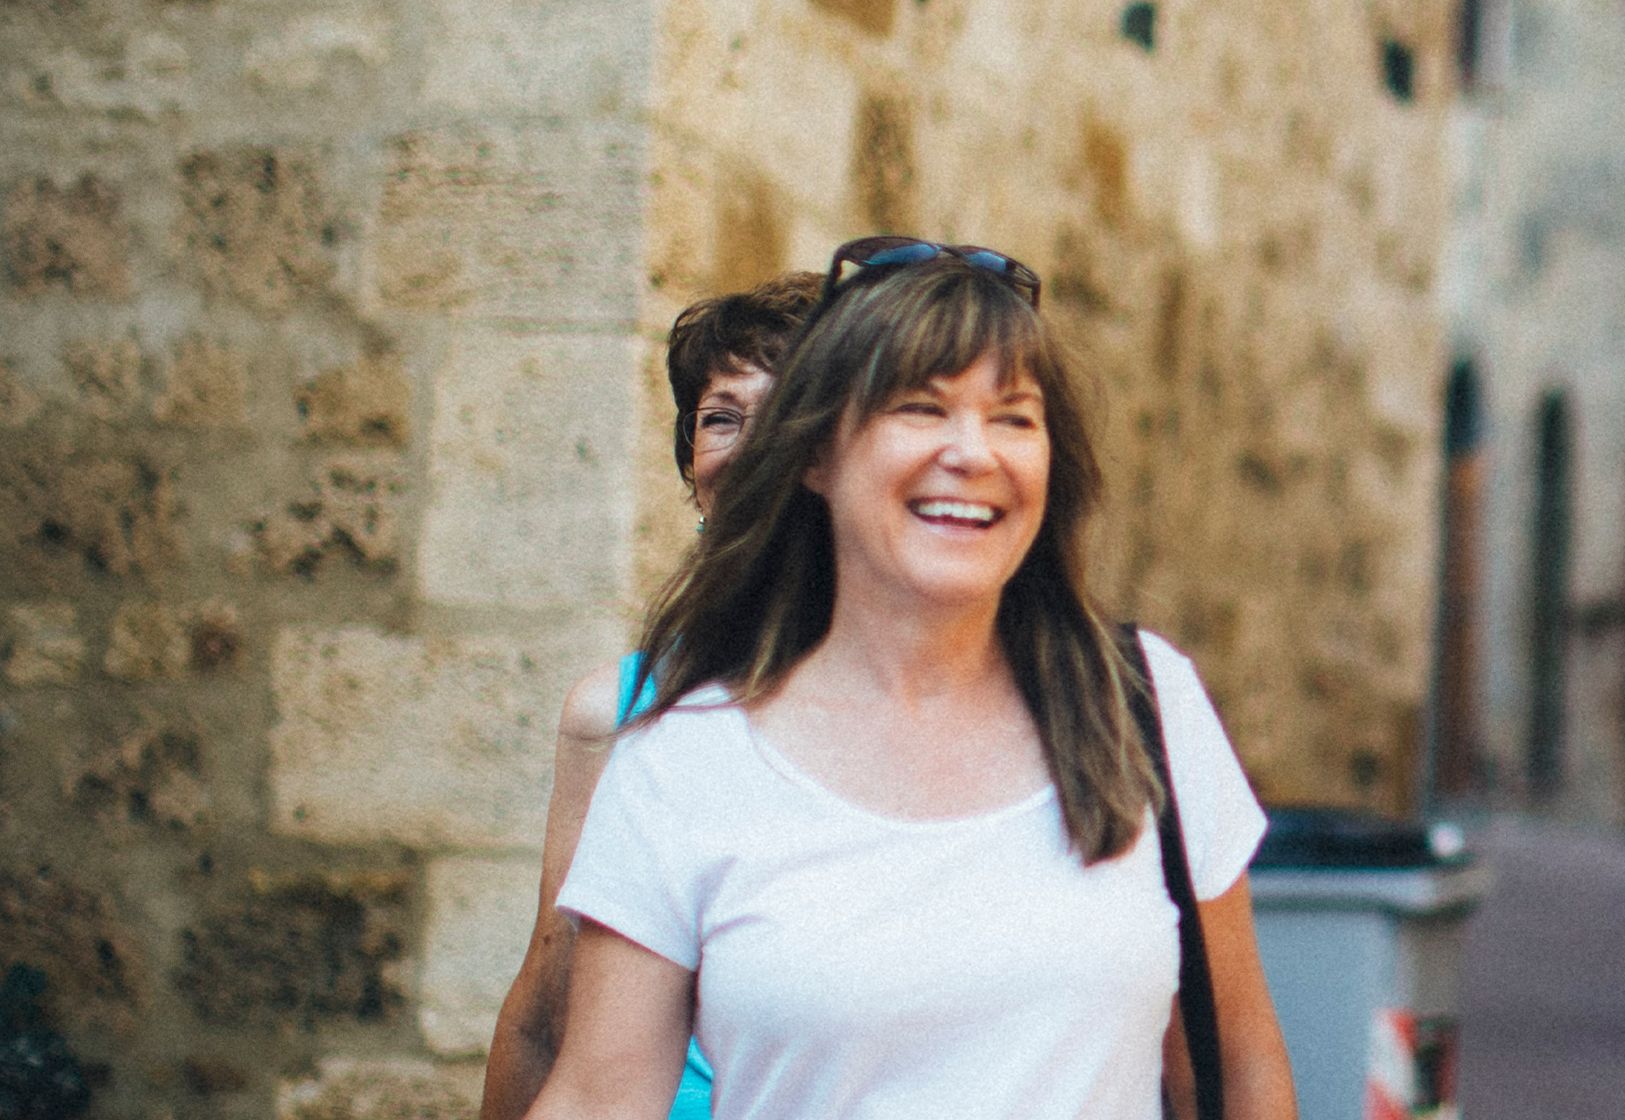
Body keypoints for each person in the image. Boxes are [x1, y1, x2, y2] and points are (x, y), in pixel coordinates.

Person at [523, 237, 1296, 1120]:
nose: (974, 452)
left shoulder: (1143, 705)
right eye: (921, 409)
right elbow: (596, 1099)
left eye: (1014, 416)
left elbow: (1239, 1072)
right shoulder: (683, 758)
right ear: (813, 456)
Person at [486, 271, 821, 1120]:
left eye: (788, 415)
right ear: (691, 470)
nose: (751, 447)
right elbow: (543, 1014)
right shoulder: (615, 712)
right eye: (721, 418)